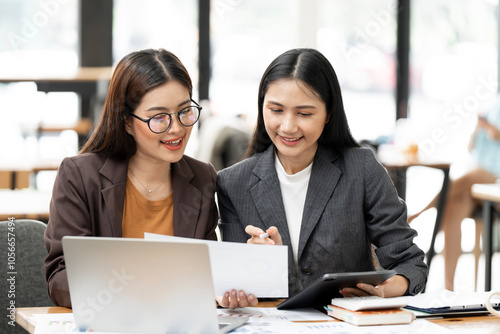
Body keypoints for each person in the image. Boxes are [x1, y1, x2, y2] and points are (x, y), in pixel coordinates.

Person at [216, 48, 428, 307]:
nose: (288, 126)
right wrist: (260, 268)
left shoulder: (361, 169)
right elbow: (238, 289)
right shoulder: (232, 183)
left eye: (304, 113)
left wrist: (383, 291)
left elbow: (410, 263)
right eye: (276, 110)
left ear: (328, 113)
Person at [44, 49, 218, 308]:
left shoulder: (202, 178)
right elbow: (60, 277)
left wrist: (229, 286)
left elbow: (208, 272)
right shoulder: (80, 175)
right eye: (159, 117)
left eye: (185, 111)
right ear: (126, 122)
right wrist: (134, 292)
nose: (177, 128)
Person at [409, 99, 500, 290]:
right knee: (452, 207)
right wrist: (477, 130)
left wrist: (492, 129)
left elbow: (495, 137)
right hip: (478, 182)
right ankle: (448, 288)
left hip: (494, 177)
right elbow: (471, 149)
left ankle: (417, 214)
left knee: (460, 180)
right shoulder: (493, 106)